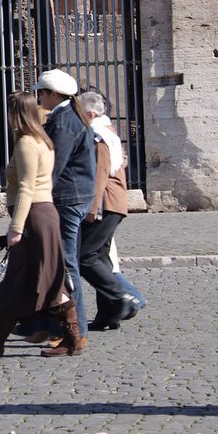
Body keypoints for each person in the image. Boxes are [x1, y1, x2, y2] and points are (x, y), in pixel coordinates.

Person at [0, 91, 79, 357]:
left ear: (17, 113)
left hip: (34, 216)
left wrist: (15, 229)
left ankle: (72, 338)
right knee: (23, 281)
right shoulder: (42, 139)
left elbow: (26, 188)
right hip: (42, 214)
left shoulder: (27, 142)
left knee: (47, 281)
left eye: (9, 110)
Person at [31, 69, 95, 347]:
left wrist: (38, 199)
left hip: (67, 199)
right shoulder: (67, 116)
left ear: (54, 94)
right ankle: (50, 325)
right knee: (60, 264)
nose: (39, 97)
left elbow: (53, 167)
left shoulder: (64, 123)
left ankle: (75, 331)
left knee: (66, 266)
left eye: (42, 93)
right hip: (75, 196)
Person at [78, 91, 142, 331]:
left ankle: (120, 298)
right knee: (101, 258)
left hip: (105, 204)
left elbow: (99, 175)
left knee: (85, 256)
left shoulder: (98, 136)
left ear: (91, 113)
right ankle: (108, 315)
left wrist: (91, 209)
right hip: (112, 204)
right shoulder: (109, 131)